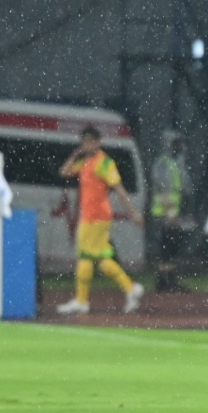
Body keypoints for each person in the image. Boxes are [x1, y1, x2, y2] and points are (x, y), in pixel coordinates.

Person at [55, 125, 145, 315]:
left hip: (97, 217)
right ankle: (130, 288)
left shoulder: (104, 163)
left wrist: (132, 212)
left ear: (98, 142)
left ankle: (82, 301)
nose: (86, 145)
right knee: (102, 260)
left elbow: (119, 188)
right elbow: (64, 172)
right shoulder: (86, 162)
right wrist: (75, 154)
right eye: (84, 142)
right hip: (89, 216)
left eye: (90, 142)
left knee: (85, 256)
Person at [150, 130, 190, 293]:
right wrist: (170, 213)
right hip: (165, 213)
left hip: (172, 211)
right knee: (167, 248)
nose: (178, 147)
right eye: (175, 143)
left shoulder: (175, 162)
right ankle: (167, 281)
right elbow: (163, 189)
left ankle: (166, 280)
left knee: (172, 247)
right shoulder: (164, 163)